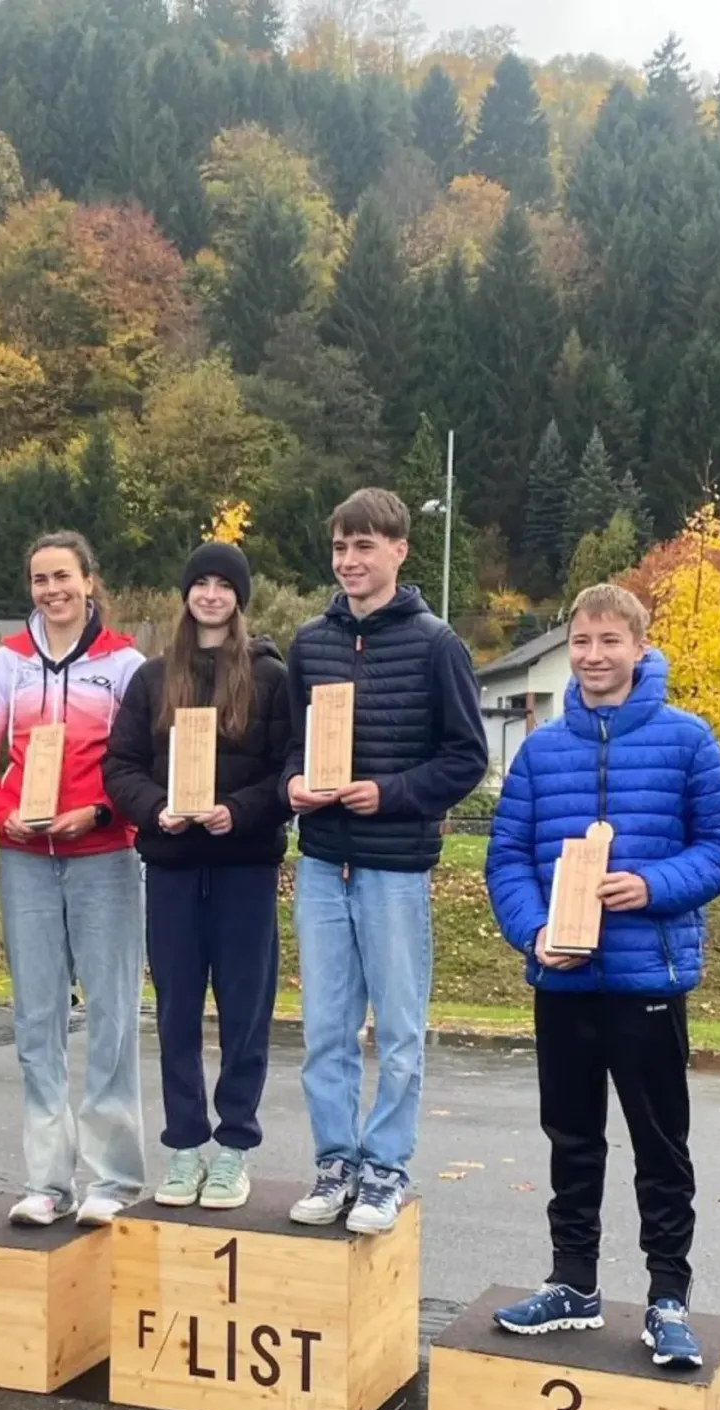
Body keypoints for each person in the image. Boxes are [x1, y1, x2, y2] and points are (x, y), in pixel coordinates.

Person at [485, 583, 720, 1367]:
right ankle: (573, 1282)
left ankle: (668, 1297)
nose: (594, 656)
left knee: (660, 1146)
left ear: (640, 646)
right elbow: (507, 859)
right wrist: (534, 934)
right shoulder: (540, 751)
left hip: (647, 981)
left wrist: (651, 886)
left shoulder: (687, 740)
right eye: (582, 641)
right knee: (571, 1138)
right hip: (563, 983)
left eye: (609, 641)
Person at [284, 488, 487, 1235]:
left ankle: (386, 1170)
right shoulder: (309, 644)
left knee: (398, 1032)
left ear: (399, 550)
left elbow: (466, 758)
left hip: (395, 867)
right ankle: (335, 1163)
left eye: (364, 546)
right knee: (324, 1032)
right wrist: (292, 785)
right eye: (340, 547)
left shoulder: (438, 644)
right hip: (321, 864)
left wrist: (391, 794)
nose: (349, 561)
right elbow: (289, 749)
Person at [104, 541, 291, 1211]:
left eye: (224, 585)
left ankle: (234, 1146)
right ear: (185, 594)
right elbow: (120, 766)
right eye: (201, 583)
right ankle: (184, 1147)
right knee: (176, 1012)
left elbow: (286, 771)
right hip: (173, 870)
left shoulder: (271, 678)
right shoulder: (152, 678)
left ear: (239, 598)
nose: (211, 595)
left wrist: (237, 811)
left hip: (244, 869)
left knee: (245, 1012)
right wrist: (157, 809)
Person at [0, 532, 146, 1227]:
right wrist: (4, 816)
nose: (52, 590)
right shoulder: (7, 662)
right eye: (40, 579)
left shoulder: (126, 664)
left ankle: (114, 1177)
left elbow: (141, 764)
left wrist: (100, 812)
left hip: (104, 853)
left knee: (112, 1014)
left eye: (63, 577)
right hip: (26, 859)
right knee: (37, 1018)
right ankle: (48, 1180)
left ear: (89, 581)